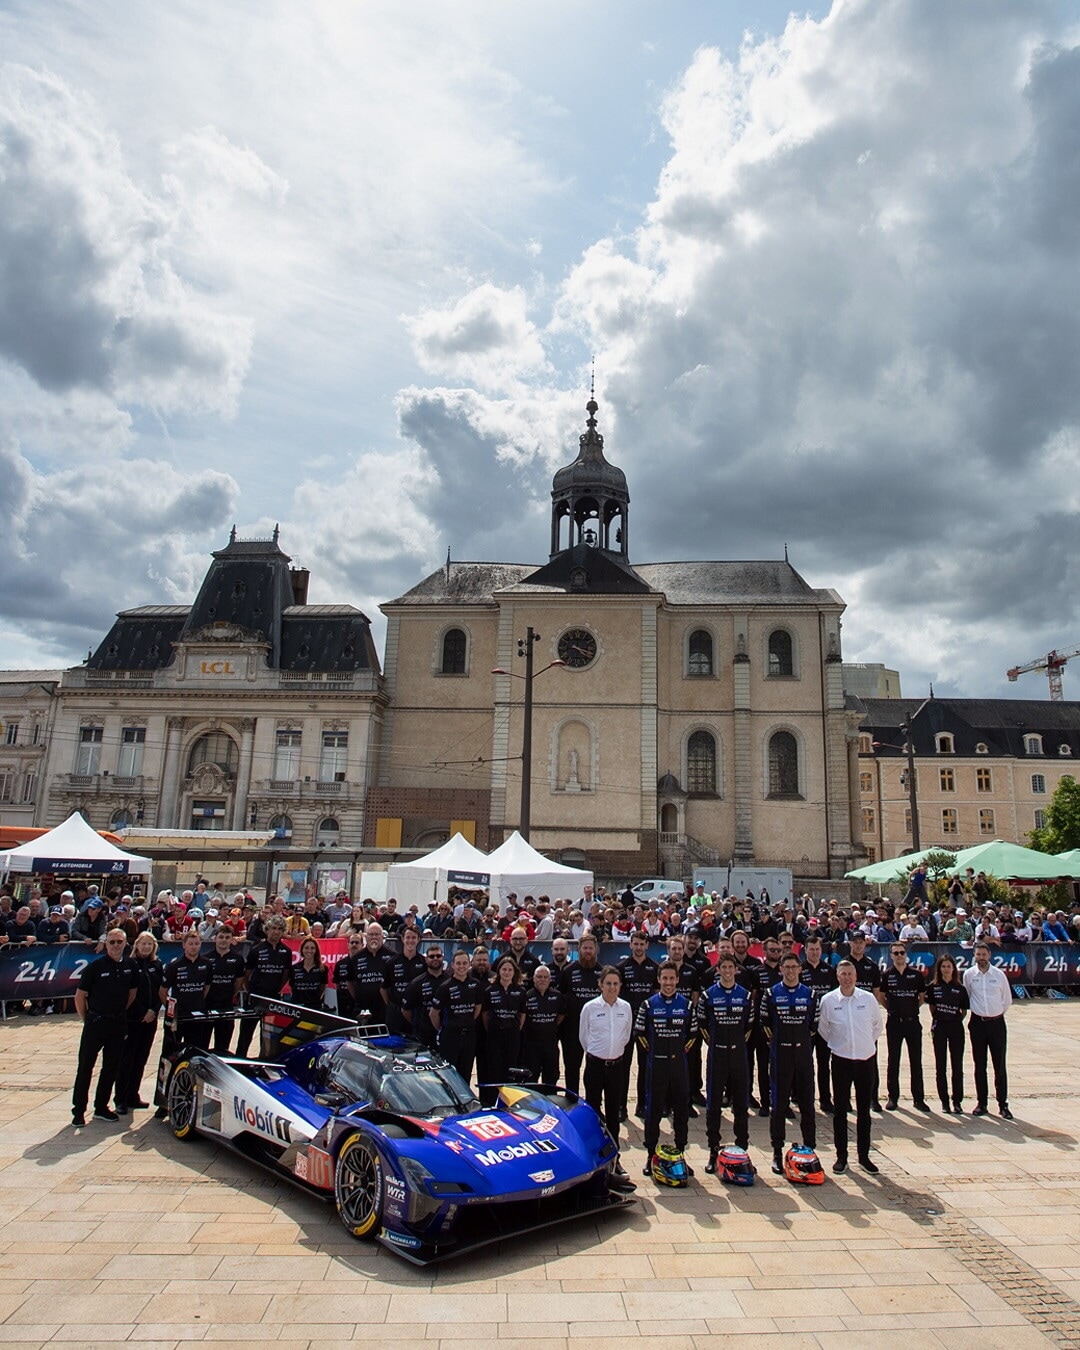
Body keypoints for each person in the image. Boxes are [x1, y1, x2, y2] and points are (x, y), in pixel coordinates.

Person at [817, 959, 884, 1173]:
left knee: (864, 1111)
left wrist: (863, 1044)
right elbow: (824, 1030)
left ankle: (864, 1156)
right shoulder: (828, 1001)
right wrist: (840, 1045)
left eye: (850, 974)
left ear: (856, 976)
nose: (847, 978)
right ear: (837, 977)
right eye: (843, 974)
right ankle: (841, 1156)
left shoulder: (868, 999)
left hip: (865, 1061)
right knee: (840, 1111)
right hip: (841, 1061)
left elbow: (877, 1026)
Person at [635, 961, 695, 1178]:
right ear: (659, 979)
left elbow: (692, 1034)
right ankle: (650, 1155)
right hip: (656, 1065)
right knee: (653, 1111)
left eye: (672, 978)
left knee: (681, 1111)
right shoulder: (648, 1005)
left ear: (677, 980)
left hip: (679, 1066)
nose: (668, 983)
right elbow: (640, 1033)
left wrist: (679, 1052)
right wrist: (654, 1052)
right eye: (665, 978)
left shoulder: (687, 1005)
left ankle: (680, 1153)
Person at [72, 929, 137, 1126]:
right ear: (106, 944)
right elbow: (80, 996)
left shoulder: (130, 965)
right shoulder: (95, 967)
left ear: (125, 943)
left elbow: (132, 993)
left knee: (111, 1067)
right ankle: (78, 1111)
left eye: (119, 942)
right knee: (85, 1067)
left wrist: (119, 1011)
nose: (116, 945)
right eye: (112, 942)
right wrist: (87, 1018)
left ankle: (101, 1107)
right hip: (95, 1023)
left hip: (117, 1023)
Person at [579, 965, 635, 1186]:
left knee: (613, 1115)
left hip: (616, 1068)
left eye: (615, 984)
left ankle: (614, 1159)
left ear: (620, 986)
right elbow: (584, 1037)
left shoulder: (626, 1007)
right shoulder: (590, 1008)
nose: (612, 987)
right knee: (593, 1113)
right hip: (595, 1066)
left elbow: (626, 1037)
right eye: (608, 983)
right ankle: (593, 1158)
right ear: (600, 985)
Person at [698, 953, 753, 1172]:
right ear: (718, 970)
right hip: (717, 1055)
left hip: (739, 1055)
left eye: (731, 967)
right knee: (713, 1104)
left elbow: (749, 1025)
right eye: (724, 967)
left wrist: (736, 1044)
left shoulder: (745, 995)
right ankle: (713, 1149)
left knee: (741, 1104)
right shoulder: (708, 995)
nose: (728, 971)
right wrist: (715, 1043)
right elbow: (703, 1024)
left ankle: (742, 1149)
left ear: (736, 970)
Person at [762, 953, 817, 1175]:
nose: (791, 971)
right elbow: (765, 1023)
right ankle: (777, 1151)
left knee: (807, 1105)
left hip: (803, 1056)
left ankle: (810, 1150)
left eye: (794, 967)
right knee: (778, 1105)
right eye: (787, 967)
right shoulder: (771, 994)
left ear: (800, 969)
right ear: (781, 969)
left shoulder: (810, 994)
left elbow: (813, 1025)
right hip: (780, 1056)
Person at [115, 931, 165, 1113]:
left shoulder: (157, 965)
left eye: (149, 944)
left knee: (141, 1059)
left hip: (150, 1019)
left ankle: (133, 1095)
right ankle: (120, 1098)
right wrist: (143, 1011)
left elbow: (161, 991)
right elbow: (128, 994)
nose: (146, 947)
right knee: (126, 1059)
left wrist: (153, 1010)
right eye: (143, 944)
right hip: (133, 1018)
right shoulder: (129, 964)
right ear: (136, 945)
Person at [963, 941, 1013, 1119]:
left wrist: (994, 1014)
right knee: (979, 1065)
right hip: (978, 1023)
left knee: (999, 1065)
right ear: (974, 956)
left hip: (996, 1023)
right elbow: (968, 996)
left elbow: (1006, 1000)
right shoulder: (969, 975)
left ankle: (1002, 1104)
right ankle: (982, 1102)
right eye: (978, 955)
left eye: (984, 955)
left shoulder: (999, 975)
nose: (981, 958)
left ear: (989, 955)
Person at [235, 916, 294, 1057]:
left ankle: (264, 1062)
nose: (276, 932)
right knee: (245, 1034)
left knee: (269, 1036)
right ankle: (240, 1060)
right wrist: (251, 991)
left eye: (279, 929)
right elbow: (246, 975)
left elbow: (286, 975)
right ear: (267, 930)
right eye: (273, 928)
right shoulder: (256, 950)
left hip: (273, 998)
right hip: (255, 997)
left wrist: (276, 989)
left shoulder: (286, 951)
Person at [617, 930, 659, 1118]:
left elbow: (657, 995)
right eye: (636, 944)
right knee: (623, 1066)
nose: (639, 947)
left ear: (647, 945)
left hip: (647, 1025)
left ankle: (642, 1104)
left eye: (642, 944)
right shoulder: (621, 967)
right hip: (626, 1023)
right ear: (630, 945)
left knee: (645, 1066)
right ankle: (621, 1106)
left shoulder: (655, 967)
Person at [883, 943, 930, 1112]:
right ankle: (892, 1097)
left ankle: (918, 1098)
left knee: (916, 1061)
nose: (899, 955)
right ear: (891, 955)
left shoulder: (916, 974)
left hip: (912, 1022)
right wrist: (891, 1009)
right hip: (894, 1022)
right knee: (893, 1060)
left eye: (902, 952)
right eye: (896, 953)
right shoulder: (887, 975)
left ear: (906, 954)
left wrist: (912, 1008)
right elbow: (881, 995)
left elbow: (922, 996)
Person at [431, 950, 483, 1083]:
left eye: (465, 963)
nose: (461, 966)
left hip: (469, 1036)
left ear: (469, 965)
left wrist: (466, 1021)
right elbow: (433, 1014)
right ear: (452, 965)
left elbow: (477, 1008)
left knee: (465, 1074)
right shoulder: (445, 987)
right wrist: (443, 1028)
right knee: (449, 1076)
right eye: (458, 963)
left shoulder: (475, 985)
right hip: (450, 1037)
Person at [559, 934, 602, 1095]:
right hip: (572, 1029)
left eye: (591, 948)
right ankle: (572, 1099)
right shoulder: (568, 971)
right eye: (585, 948)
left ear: (596, 950)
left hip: (596, 1030)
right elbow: (562, 998)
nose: (588, 951)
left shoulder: (602, 972)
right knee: (571, 1068)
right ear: (579, 949)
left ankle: (593, 1102)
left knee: (594, 1070)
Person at [800, 933, 838, 1112]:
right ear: (805, 950)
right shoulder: (800, 969)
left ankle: (825, 1099)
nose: (814, 952)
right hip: (805, 1025)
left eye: (817, 949)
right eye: (811, 949)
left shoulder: (829, 970)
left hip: (824, 1025)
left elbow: (835, 996)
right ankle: (804, 1098)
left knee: (824, 1064)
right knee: (805, 1065)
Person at [160, 929, 213, 1053]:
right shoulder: (174, 966)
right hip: (178, 1017)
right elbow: (162, 991)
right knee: (171, 1051)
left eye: (196, 944)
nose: (193, 947)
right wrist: (171, 1009)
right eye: (190, 944)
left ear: (200, 944)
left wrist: (198, 1001)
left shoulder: (207, 964)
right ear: (184, 945)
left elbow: (207, 987)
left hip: (196, 1016)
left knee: (194, 1051)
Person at [928, 953, 969, 1113]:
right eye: (943, 966)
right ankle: (944, 1101)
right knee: (941, 1066)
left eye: (948, 966)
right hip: (940, 1027)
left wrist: (954, 1019)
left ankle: (957, 1101)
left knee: (957, 1066)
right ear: (939, 969)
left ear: (953, 969)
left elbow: (964, 1011)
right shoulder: (933, 987)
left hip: (956, 1028)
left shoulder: (960, 988)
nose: (946, 969)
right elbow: (932, 1008)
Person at [748, 936, 783, 1115]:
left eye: (778, 950)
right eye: (772, 950)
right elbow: (753, 998)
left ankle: (781, 1103)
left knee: (781, 1067)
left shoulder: (784, 970)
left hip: (783, 1024)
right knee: (762, 1065)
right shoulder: (756, 971)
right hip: (762, 1025)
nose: (775, 953)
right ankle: (764, 1102)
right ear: (764, 951)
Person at [482, 956, 527, 1084]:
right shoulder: (490, 990)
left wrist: (516, 1028)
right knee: (494, 1067)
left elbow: (523, 1013)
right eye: (504, 969)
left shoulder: (521, 991)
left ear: (514, 972)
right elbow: (485, 1013)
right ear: (499, 971)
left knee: (510, 1067)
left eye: (510, 970)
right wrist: (490, 1028)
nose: (506, 972)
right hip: (494, 1034)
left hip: (512, 1034)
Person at [204, 928, 246, 1052]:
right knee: (202, 1045)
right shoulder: (206, 958)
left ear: (232, 940)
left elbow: (239, 983)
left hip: (226, 1006)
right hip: (207, 1006)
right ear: (215, 939)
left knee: (223, 1047)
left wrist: (229, 995)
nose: (224, 940)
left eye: (227, 937)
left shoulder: (238, 959)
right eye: (221, 937)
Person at [522, 965, 563, 1086]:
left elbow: (561, 1016)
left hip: (550, 1044)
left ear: (550, 979)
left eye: (545, 977)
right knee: (530, 1080)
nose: (542, 980)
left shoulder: (557, 996)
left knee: (551, 1078)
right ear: (534, 979)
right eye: (539, 977)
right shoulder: (527, 996)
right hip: (531, 1046)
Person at [401, 945, 446, 1048]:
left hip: (445, 1034)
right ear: (426, 959)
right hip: (423, 1037)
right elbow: (405, 1010)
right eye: (432, 956)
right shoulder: (416, 983)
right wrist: (418, 1023)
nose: (435, 958)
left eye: (438, 956)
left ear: (442, 958)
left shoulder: (449, 981)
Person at [382, 927, 425, 1034]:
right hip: (395, 1012)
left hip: (415, 1011)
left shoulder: (424, 962)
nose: (410, 940)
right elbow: (383, 989)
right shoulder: (392, 962)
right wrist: (391, 1005)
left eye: (414, 938)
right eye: (408, 937)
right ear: (402, 939)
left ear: (418, 939)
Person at [290, 937, 329, 1010]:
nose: (309, 951)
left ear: (316, 950)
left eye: (312, 948)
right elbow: (292, 988)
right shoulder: (294, 968)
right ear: (302, 949)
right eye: (306, 948)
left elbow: (322, 988)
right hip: (297, 1007)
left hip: (315, 1007)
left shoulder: (323, 969)